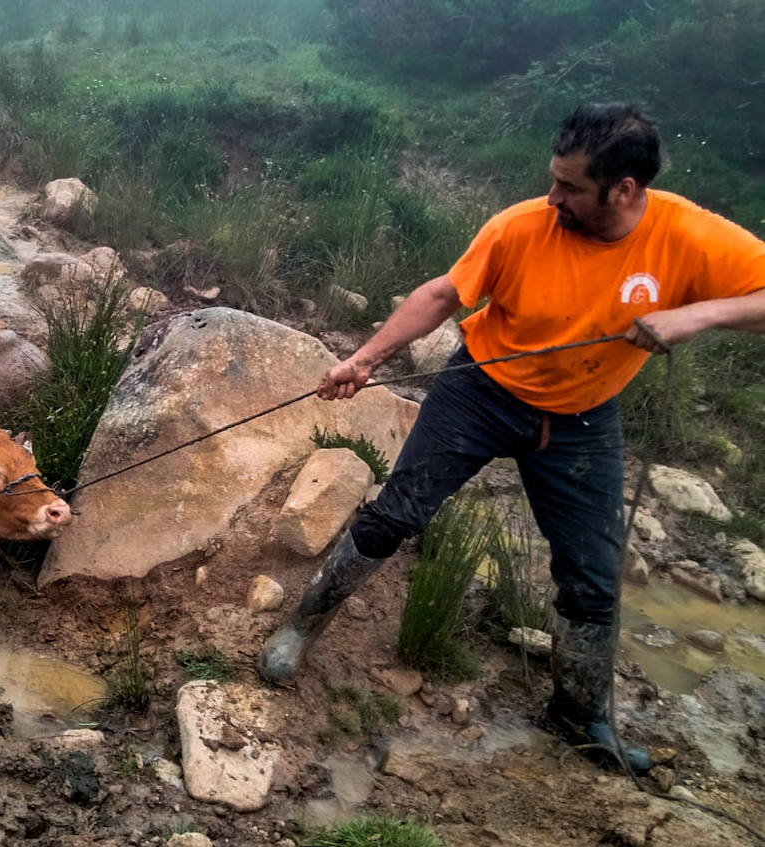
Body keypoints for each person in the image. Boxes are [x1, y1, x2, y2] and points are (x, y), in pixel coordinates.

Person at [258, 103, 765, 772]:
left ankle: (580, 715)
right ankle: (301, 624)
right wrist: (364, 359)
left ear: (625, 190)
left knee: (590, 576)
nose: (552, 196)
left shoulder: (685, 234)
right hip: (482, 390)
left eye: (570, 186)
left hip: (584, 418)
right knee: (396, 514)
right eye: (552, 179)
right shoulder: (521, 227)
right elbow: (443, 295)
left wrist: (694, 315)